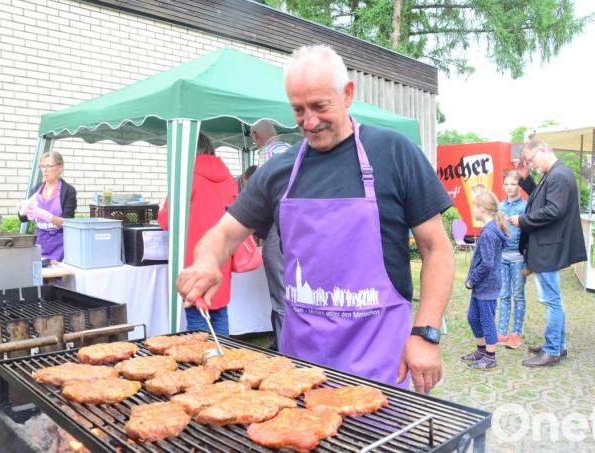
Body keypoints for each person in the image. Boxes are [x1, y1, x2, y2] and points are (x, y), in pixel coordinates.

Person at [175, 44, 454, 394]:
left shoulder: (394, 153)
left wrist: (425, 332)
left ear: (347, 94)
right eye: (298, 110)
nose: (309, 121)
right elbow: (224, 234)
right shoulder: (280, 170)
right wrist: (205, 262)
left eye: (320, 106)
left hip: (380, 363)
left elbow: (437, 249)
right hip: (300, 369)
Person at [509, 139, 586, 367]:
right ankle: (557, 346)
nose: (531, 165)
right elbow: (538, 200)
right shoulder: (554, 174)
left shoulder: (559, 175)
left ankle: (552, 349)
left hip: (548, 248)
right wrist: (525, 178)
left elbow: (553, 210)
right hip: (547, 246)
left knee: (552, 300)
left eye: (532, 160)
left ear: (543, 150)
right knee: (553, 299)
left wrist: (522, 220)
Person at [158, 133, 238, 336]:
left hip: (193, 256)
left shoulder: (186, 177)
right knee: (218, 309)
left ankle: (203, 361)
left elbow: (167, 220)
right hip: (221, 254)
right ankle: (223, 355)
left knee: (197, 311)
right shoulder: (228, 178)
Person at [250, 120, 291, 351]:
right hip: (297, 226)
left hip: (279, 224)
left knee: (280, 291)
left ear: (256, 135)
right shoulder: (291, 149)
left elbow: (263, 194)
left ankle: (285, 347)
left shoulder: (267, 153)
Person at [461, 191, 509, 370]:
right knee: (473, 317)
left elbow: (487, 264)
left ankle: (490, 357)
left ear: (481, 209)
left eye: (474, 207)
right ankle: (481, 350)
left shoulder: (489, 233)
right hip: (482, 285)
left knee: (487, 320)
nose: (472, 210)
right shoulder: (489, 229)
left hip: (486, 285)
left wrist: (472, 280)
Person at [18, 151, 77, 262]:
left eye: (49, 166)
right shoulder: (37, 189)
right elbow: (23, 219)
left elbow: (68, 223)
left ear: (60, 168)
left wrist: (47, 216)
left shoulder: (68, 191)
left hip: (60, 247)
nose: (45, 170)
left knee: (57, 277)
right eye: (42, 166)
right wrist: (22, 209)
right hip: (40, 243)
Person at [496, 170, 528, 349]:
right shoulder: (500, 207)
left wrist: (528, 263)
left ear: (520, 186)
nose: (509, 187)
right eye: (506, 184)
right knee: (504, 295)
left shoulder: (525, 208)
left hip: (518, 258)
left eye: (513, 184)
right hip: (502, 257)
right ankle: (502, 332)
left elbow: (529, 236)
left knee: (518, 296)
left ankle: (516, 333)